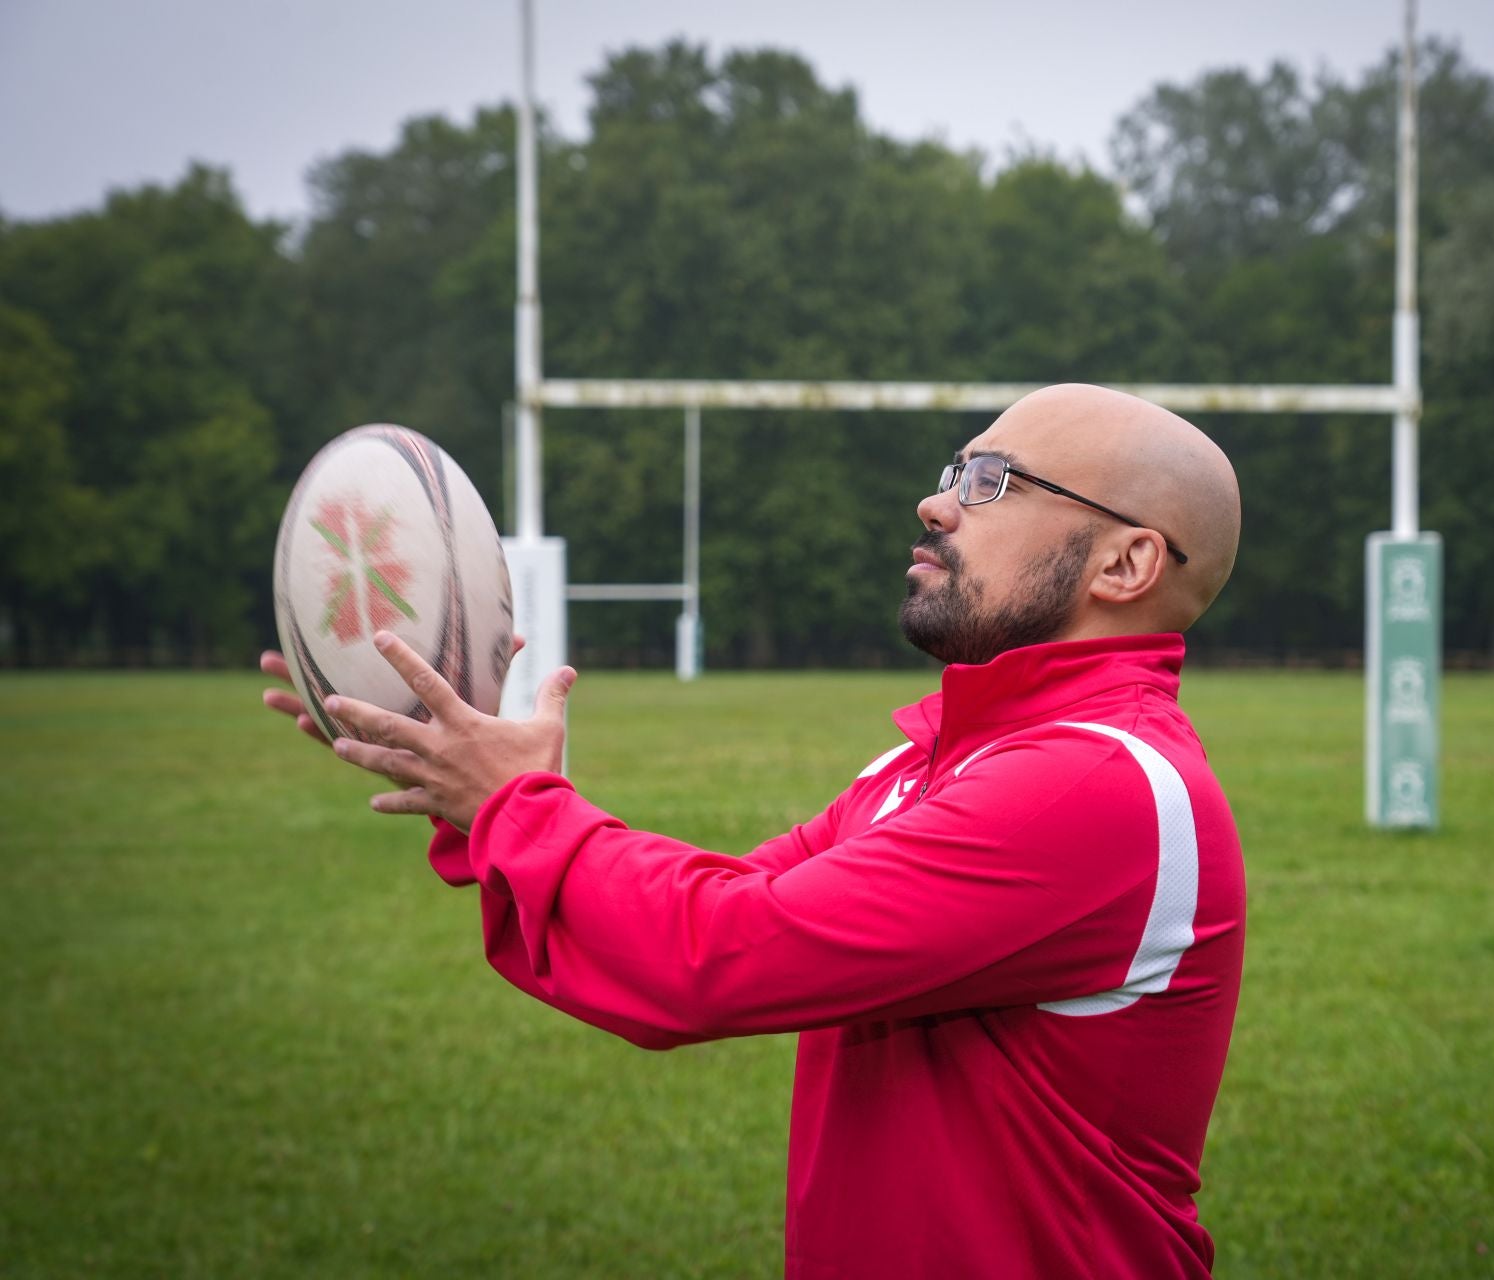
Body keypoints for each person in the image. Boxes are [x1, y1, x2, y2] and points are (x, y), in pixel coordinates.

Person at [261, 383, 1247, 1278]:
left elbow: (720, 952)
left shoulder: (1100, 784)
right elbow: (711, 914)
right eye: (954, 470)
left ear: (1127, 560)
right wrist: (471, 787)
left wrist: (514, 807)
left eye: (993, 481)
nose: (937, 503)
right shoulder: (931, 761)